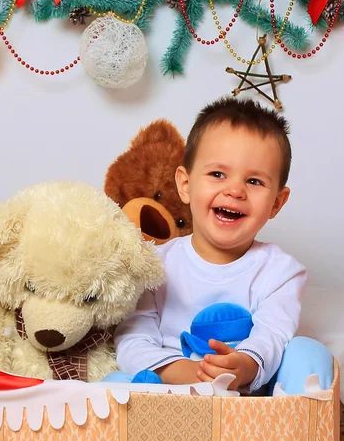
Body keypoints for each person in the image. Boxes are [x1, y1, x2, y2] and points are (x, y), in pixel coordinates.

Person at [111, 97, 328, 394]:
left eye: (254, 181)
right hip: (169, 393)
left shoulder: (280, 271)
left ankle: (290, 438)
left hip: (245, 402)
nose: (235, 190)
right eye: (217, 174)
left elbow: (272, 335)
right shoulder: (154, 264)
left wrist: (244, 366)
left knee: (308, 352)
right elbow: (133, 339)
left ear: (277, 202)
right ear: (185, 185)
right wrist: (186, 372)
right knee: (112, 384)